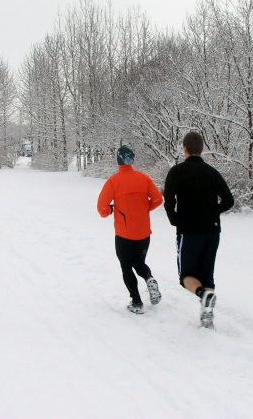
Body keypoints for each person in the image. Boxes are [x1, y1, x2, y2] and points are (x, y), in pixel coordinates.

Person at [163, 131, 234, 328]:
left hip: (189, 231)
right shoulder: (212, 173)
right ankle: (207, 313)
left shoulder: (176, 172)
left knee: (186, 276)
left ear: (184, 148)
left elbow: (168, 201)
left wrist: (175, 220)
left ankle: (203, 296)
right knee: (207, 273)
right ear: (201, 149)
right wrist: (212, 212)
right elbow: (229, 201)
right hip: (212, 231)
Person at [97, 145, 164, 314]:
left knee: (126, 267)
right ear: (132, 159)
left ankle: (136, 302)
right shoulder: (144, 178)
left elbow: (102, 209)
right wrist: (143, 209)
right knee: (139, 263)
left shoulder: (113, 181)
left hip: (124, 234)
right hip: (143, 233)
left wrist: (112, 210)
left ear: (119, 160)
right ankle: (149, 278)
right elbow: (157, 199)